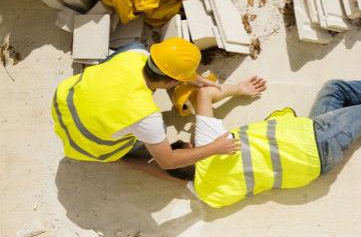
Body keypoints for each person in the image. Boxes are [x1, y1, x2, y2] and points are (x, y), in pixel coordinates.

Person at [174, 54, 361, 208]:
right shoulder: (206, 143)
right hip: (314, 143)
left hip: (308, 147)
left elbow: (168, 168)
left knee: (336, 89)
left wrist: (138, 161)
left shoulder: (207, 193)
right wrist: (235, 89)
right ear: (190, 148)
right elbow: (204, 95)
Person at [51, 38, 240, 169]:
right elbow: (168, 161)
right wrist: (215, 148)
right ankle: (124, 158)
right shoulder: (146, 115)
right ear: (171, 82)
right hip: (88, 145)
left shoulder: (135, 53)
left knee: (130, 46)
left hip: (63, 104)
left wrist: (193, 78)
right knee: (159, 132)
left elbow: (164, 66)